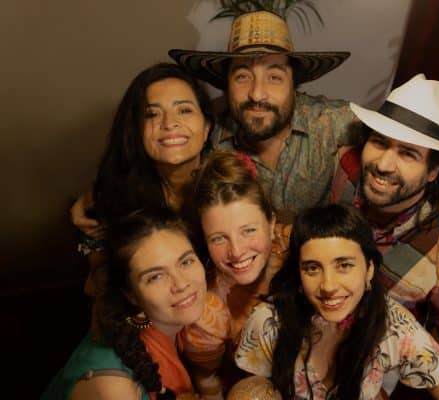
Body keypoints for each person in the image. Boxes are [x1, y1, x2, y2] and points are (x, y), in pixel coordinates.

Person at [74, 11, 439, 290]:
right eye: (242, 76)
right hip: (238, 278)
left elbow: (414, 145)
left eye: (274, 76)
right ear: (225, 85)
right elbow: (153, 157)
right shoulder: (208, 133)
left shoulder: (334, 122)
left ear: (295, 83)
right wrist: (94, 200)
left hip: (317, 284)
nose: (257, 94)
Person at [234, 204, 439, 399]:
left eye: (344, 265)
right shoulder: (269, 322)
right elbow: (248, 390)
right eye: (312, 268)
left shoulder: (393, 325)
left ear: (369, 269)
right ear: (298, 274)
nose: (328, 285)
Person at [329, 74, 439, 352]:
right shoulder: (346, 168)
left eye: (408, 154)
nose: (384, 165)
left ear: (435, 170)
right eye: (379, 142)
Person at [78, 62, 213, 295]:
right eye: (152, 114)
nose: (169, 123)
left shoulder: (231, 183)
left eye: (184, 110)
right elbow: (98, 287)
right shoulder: (117, 196)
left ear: (207, 128)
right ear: (136, 131)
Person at [42, 210, 207, 399]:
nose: (182, 284)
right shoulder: (116, 390)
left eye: (186, 262)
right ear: (131, 295)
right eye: (155, 277)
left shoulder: (168, 320)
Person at [180, 151, 287, 399]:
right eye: (219, 238)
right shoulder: (205, 314)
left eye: (248, 231)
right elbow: (207, 379)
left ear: (271, 223)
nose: (237, 252)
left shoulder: (303, 250)